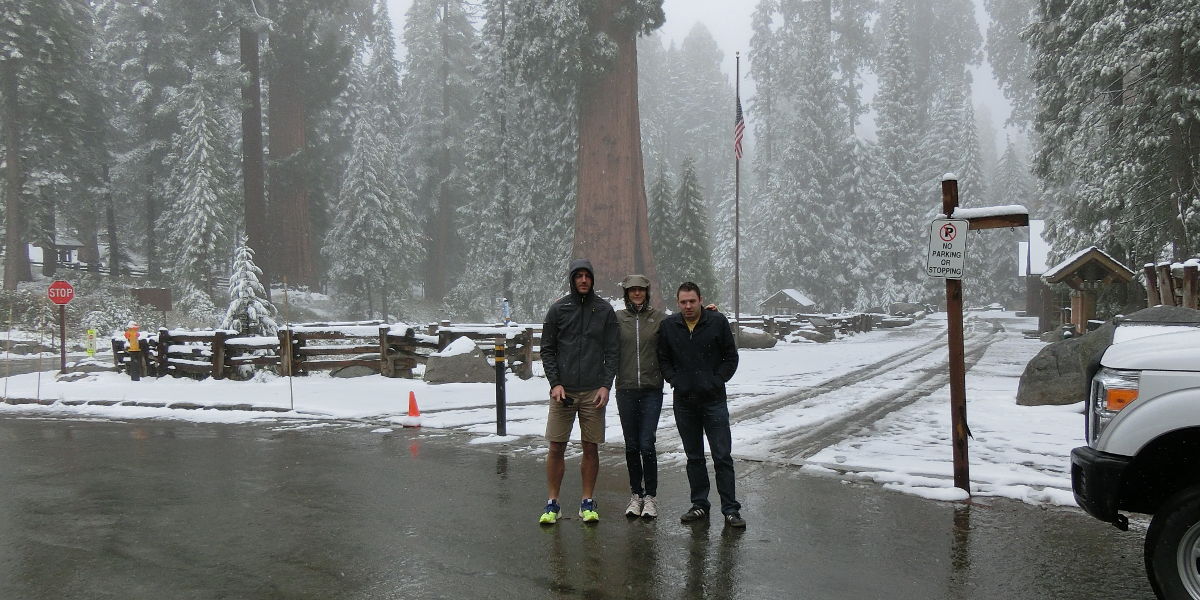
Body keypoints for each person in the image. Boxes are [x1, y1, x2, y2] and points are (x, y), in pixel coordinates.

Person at [657, 281, 745, 528]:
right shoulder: (669, 326)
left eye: (692, 301)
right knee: (693, 456)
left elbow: (731, 357)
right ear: (678, 303)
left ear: (700, 300)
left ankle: (730, 509)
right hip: (684, 402)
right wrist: (675, 380)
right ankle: (699, 504)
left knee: (722, 456)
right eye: (683, 302)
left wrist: (716, 380)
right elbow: (663, 358)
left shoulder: (717, 322)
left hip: (713, 401)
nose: (687, 306)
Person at [538, 259, 619, 525]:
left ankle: (587, 501)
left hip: (593, 392)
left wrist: (606, 385)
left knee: (590, 447)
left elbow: (612, 351)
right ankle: (553, 503)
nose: (583, 280)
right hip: (564, 391)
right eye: (578, 276)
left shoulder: (604, 310)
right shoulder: (559, 310)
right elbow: (547, 349)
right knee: (556, 446)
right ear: (572, 280)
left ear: (592, 280)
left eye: (587, 276)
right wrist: (555, 383)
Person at [615, 274, 664, 519]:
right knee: (632, 445)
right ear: (626, 293)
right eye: (632, 290)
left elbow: (685, 325)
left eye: (641, 290)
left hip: (651, 390)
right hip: (624, 389)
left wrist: (709, 313)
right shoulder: (617, 319)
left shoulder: (658, 318)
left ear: (647, 292)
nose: (637, 293)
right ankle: (636, 495)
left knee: (647, 443)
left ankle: (651, 497)